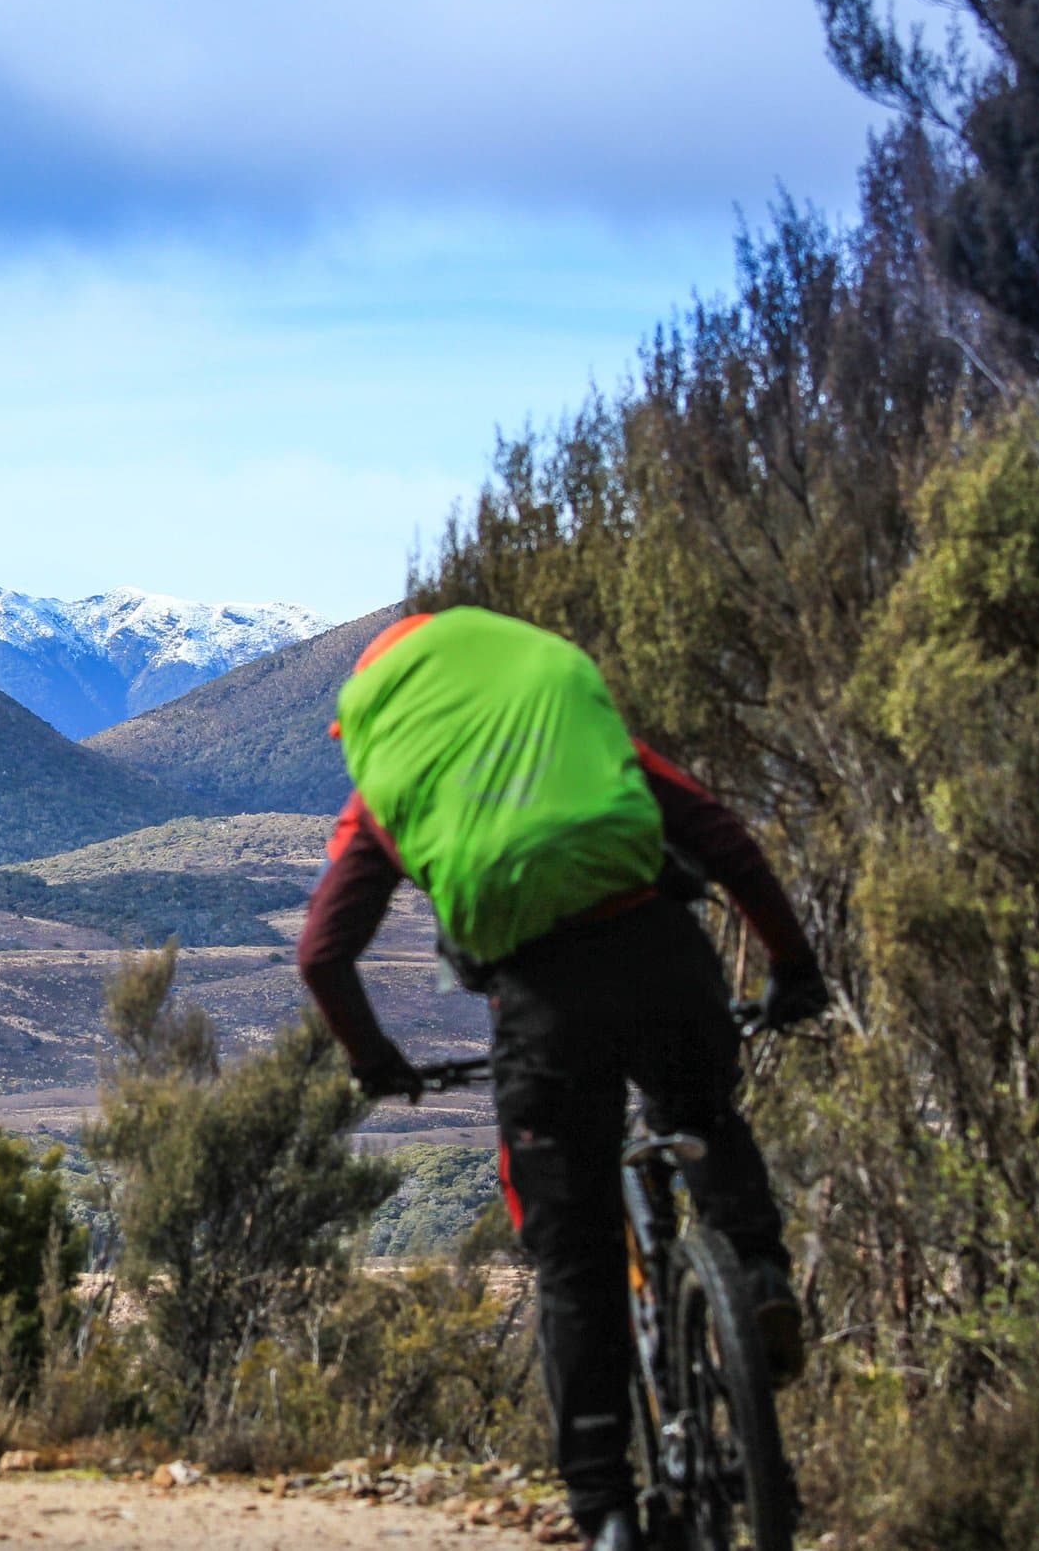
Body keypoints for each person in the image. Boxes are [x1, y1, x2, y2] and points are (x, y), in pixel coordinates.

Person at [295, 607, 828, 1551]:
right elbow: (721, 834)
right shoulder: (578, 725)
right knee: (700, 1110)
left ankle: (607, 1510)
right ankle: (754, 1267)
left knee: (577, 1263)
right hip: (662, 953)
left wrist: (377, 1062)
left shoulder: (388, 782)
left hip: (544, 1006)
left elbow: (322, 956)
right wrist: (792, 964)